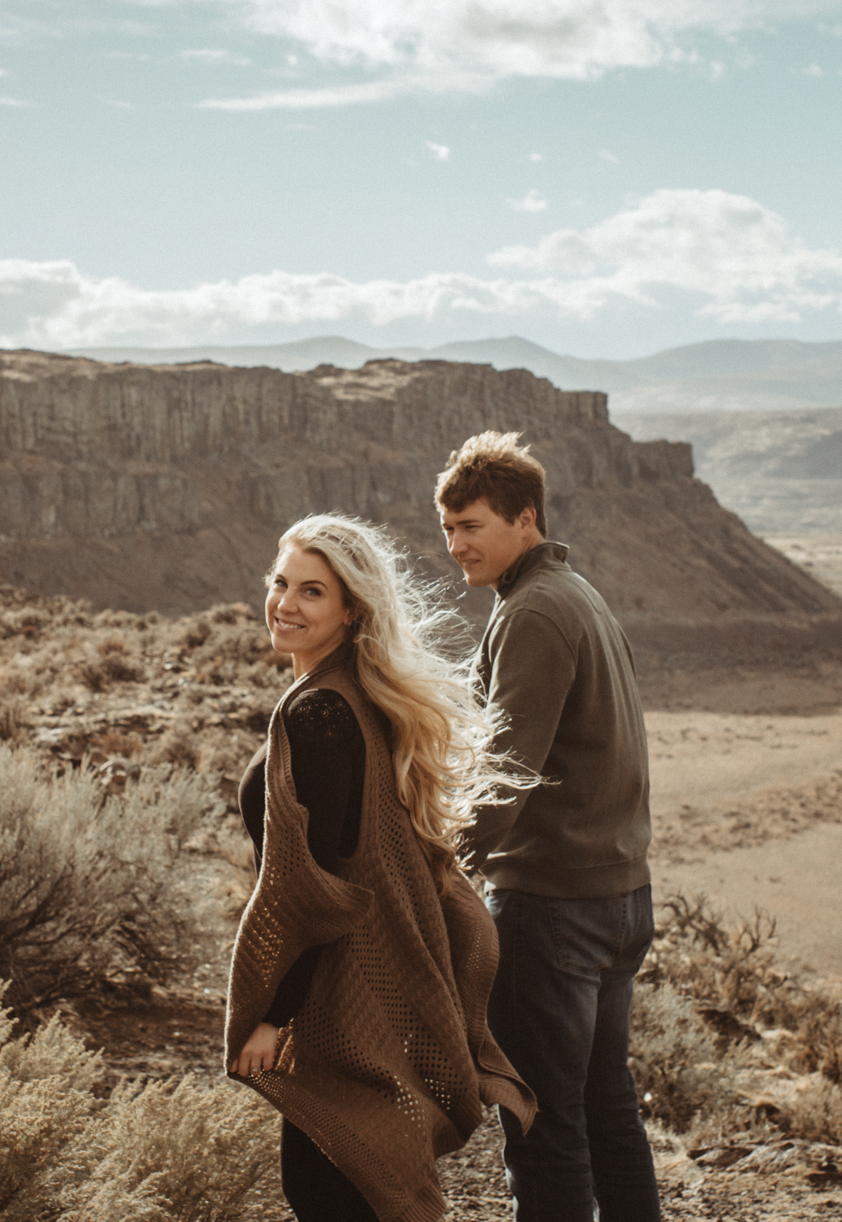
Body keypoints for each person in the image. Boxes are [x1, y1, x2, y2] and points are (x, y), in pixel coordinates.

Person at [225, 513, 538, 1222]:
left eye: (312, 591)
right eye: (280, 584)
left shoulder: (323, 714)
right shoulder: (354, 695)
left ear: (350, 608)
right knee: (356, 1181)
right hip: (366, 976)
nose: (285, 604)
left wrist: (272, 1017)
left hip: (341, 993)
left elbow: (323, 890)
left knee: (330, 1185)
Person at [436, 431, 661, 1222]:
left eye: (473, 526)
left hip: (554, 908)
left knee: (542, 1121)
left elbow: (503, 772)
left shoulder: (534, 610)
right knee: (605, 1109)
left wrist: (441, 867)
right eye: (450, 530)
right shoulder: (574, 592)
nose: (458, 545)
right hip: (620, 897)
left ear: (523, 518)